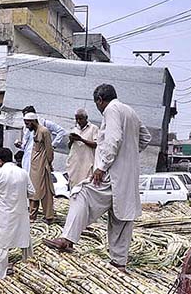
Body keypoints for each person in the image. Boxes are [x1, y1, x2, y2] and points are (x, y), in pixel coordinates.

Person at [45, 84, 151, 271]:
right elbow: (145, 137)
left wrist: (102, 166)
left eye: (97, 104)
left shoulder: (111, 110)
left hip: (112, 173)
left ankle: (67, 239)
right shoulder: (130, 111)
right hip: (128, 177)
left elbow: (113, 139)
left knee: (81, 193)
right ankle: (119, 263)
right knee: (120, 219)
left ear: (100, 100)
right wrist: (129, 155)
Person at [0, 148, 34, 284]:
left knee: (0, 247)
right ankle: (29, 273)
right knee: (24, 244)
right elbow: (32, 192)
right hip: (20, 215)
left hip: (2, 216)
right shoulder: (23, 173)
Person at [24, 112, 56, 224]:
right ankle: (32, 216)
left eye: (27, 123)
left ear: (33, 122)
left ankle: (48, 216)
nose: (26, 126)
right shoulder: (35, 132)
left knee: (45, 191)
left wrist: (49, 163)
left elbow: (49, 150)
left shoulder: (44, 131)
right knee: (33, 191)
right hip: (34, 167)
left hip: (42, 166)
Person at [16, 106, 66, 172]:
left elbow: (61, 131)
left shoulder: (44, 125)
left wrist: (52, 145)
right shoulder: (26, 127)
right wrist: (20, 145)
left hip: (39, 157)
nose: (26, 121)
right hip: (27, 157)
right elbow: (26, 145)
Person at [66, 108, 99, 188]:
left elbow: (96, 144)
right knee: (73, 187)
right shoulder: (74, 129)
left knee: (85, 187)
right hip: (75, 164)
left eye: (80, 119)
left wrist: (81, 139)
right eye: (76, 119)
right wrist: (71, 140)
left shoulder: (93, 128)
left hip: (87, 163)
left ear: (86, 118)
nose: (78, 121)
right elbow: (70, 147)